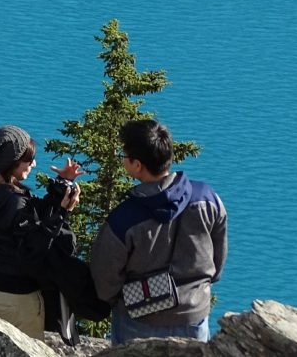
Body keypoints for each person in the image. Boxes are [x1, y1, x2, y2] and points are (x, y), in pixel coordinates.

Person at [90, 119, 227, 344]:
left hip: (137, 319)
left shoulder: (123, 219)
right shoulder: (207, 199)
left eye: (124, 156)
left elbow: (105, 282)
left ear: (136, 165)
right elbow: (217, 260)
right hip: (194, 316)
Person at [0, 125, 82, 339]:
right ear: (11, 163)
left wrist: (61, 185)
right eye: (28, 159)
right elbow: (36, 246)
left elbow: (31, 213)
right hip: (17, 296)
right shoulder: (15, 202)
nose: (34, 164)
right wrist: (63, 213)